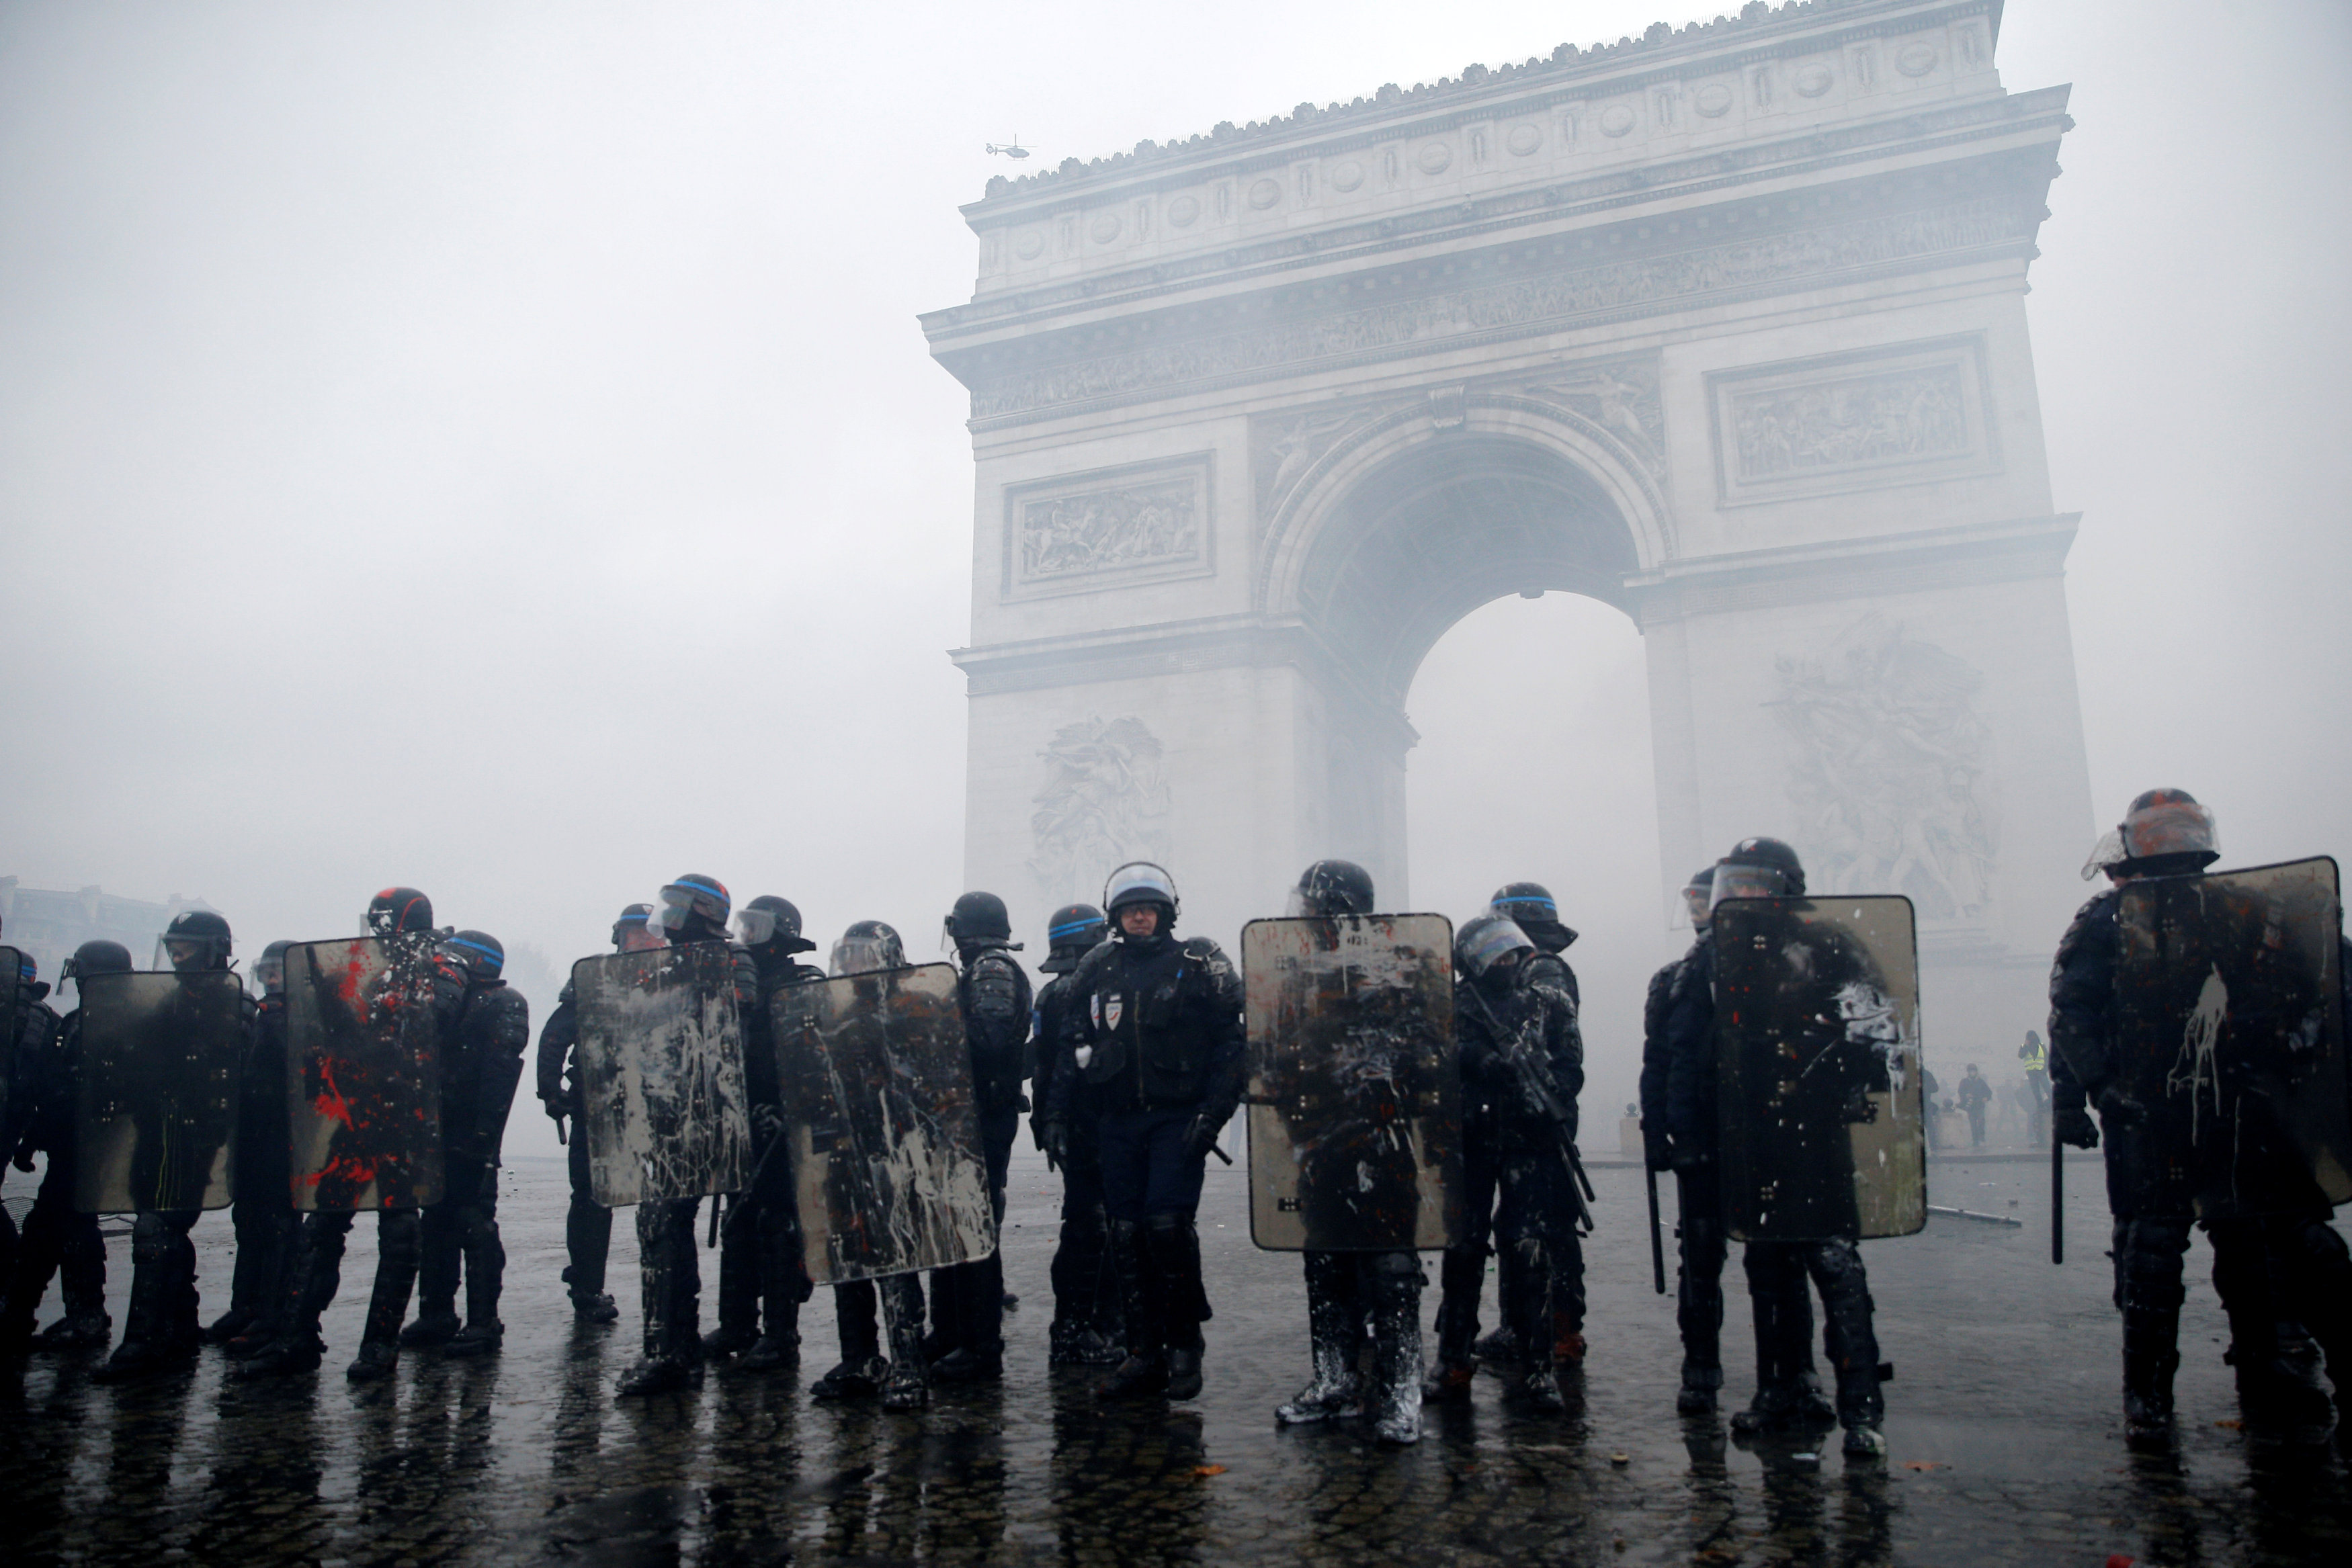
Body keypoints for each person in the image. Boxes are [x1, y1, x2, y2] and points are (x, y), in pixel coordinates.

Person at [2050, 787, 2352, 1445]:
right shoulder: (2247, 907)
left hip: (2184, 1115)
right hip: (2225, 1113)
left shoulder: (2111, 918)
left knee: (2174, 1257)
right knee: (2251, 1246)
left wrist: (2098, 1092)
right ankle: (2256, 1377)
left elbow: (2071, 1018)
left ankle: (2152, 1402)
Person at [1661, 838, 1890, 1456]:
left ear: (1785, 887)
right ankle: (1781, 1391)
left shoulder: (1829, 945)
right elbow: (1684, 1056)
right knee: (1768, 1267)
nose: (1734, 895)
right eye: (1728, 883)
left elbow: (1879, 1037)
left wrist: (1819, 1065)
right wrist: (1683, 1133)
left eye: (1751, 883)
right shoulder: (1704, 961)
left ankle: (1861, 1409)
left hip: (1812, 1132)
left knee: (1834, 1265)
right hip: (1742, 1138)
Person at [238, 886, 466, 1381]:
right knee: (323, 1225)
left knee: (400, 1234)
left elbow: (432, 1017)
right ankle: (295, 1339)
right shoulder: (374, 971)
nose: (381, 932)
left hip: (405, 1118)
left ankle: (379, 1347)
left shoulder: (443, 966)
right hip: (359, 1110)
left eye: (388, 923)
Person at [1052, 862, 1244, 1403]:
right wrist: (1055, 1117)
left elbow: (1232, 1046)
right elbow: (1071, 1045)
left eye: (1148, 908)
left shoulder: (1197, 963)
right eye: (1131, 909)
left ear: (1165, 912)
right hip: (1118, 1122)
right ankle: (1143, 1352)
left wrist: (1213, 1116)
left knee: (1166, 1226)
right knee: (1126, 1236)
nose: (1139, 916)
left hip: (1176, 1119)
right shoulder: (1098, 968)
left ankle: (1184, 1343)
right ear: (1117, 916)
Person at [1271, 859, 1431, 1444]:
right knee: (1326, 1262)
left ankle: (1400, 1392)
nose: (1305, 919)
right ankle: (1334, 1379)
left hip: (1381, 1140)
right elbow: (1278, 1051)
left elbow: (1432, 1056)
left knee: (1391, 1271)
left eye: (1313, 909)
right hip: (1319, 1144)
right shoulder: (1298, 975)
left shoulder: (1400, 971)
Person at [1425, 912, 1583, 1413]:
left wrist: (1550, 1097)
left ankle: (1538, 1369)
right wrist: (1477, 1062)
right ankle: (1453, 1359)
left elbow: (1569, 1066)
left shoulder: (1547, 1002)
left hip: (1529, 1141)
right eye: (1494, 949)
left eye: (1511, 948)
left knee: (1530, 1248)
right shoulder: (1453, 1007)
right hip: (1472, 1141)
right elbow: (1433, 1060)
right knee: (1465, 1248)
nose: (1507, 958)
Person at [92, 909, 255, 1382]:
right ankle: (179, 1330)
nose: (176, 954)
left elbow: (226, 1072)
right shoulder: (175, 999)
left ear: (211, 950)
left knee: (155, 1227)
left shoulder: (232, 1003)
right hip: (156, 1128)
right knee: (163, 1226)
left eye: (184, 946)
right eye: (173, 945)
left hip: (192, 1134)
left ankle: (142, 1342)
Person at [618, 874, 763, 1398]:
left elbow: (731, 1042)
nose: (667, 916)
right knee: (659, 1232)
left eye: (675, 907)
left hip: (705, 1119)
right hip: (666, 1115)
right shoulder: (664, 964)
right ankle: (671, 1348)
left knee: (665, 1229)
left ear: (700, 911)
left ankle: (672, 1355)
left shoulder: (731, 962)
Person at [807, 920, 935, 1410]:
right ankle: (860, 1358)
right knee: (848, 1254)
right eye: (850, 953)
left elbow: (931, 1082)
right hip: (843, 1147)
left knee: (896, 1257)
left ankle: (907, 1365)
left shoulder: (913, 1006)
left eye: (865, 954)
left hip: (894, 1148)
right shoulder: (833, 1009)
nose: (855, 963)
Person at [708, 894, 825, 1373]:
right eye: (744, 926)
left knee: (778, 1226)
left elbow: (815, 1054)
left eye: (756, 927)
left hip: (781, 1122)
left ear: (780, 933)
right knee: (736, 1222)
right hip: (739, 1116)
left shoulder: (801, 981)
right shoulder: (734, 978)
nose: (747, 935)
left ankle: (781, 1336)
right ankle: (737, 1324)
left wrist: (786, 1108)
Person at [401, 931, 528, 1357]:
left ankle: (483, 1321)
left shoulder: (504, 1002)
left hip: (472, 1130)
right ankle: (437, 1313)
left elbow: (501, 1072)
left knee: (474, 1222)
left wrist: (485, 1135)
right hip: (439, 1125)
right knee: (435, 1220)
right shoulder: (451, 1001)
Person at [536, 902, 663, 1323]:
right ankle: (587, 1287)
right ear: (619, 938)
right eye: (635, 935)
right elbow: (555, 1038)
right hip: (599, 1105)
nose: (644, 944)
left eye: (651, 935)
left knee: (665, 1204)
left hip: (661, 1108)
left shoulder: (676, 979)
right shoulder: (594, 980)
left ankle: (666, 1292)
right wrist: (551, 1091)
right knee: (591, 1200)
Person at [1478, 881, 1587, 1370]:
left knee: (1546, 1230)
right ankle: (1521, 1325)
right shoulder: (1531, 968)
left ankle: (1560, 1330)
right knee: (1517, 1227)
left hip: (1540, 1119)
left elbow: (1555, 1046)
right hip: (1520, 1116)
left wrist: (1544, 1103)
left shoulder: (1544, 970)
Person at [923, 892, 1031, 1383]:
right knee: (952, 1223)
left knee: (971, 1225)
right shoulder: (987, 968)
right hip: (968, 1113)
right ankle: (949, 1332)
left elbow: (987, 1038)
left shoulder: (991, 970)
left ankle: (979, 1343)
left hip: (981, 1114)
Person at [1640, 866, 1726, 1413]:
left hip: (1754, 1135)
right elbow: (1659, 1063)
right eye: (1690, 898)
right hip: (1698, 1138)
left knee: (1777, 1267)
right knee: (1698, 1260)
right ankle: (1700, 1366)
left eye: (1703, 897)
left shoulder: (1758, 965)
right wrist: (1656, 1131)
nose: (1694, 906)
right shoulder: (1672, 977)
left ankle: (1794, 1377)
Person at [1030, 903, 1122, 1366]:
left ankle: (1094, 1324)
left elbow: (1043, 1069)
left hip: (1072, 1124)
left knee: (1090, 1227)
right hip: (1093, 1124)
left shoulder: (1050, 992)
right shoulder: (1082, 990)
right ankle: (1077, 1328)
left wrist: (1047, 1122)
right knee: (1093, 1230)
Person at [1, 946, 96, 1353]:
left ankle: (36, 1314)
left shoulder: (78, 1023)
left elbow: (48, 1089)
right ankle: (46, 1313)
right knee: (63, 1228)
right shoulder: (67, 1021)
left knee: (59, 1229)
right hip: (69, 1143)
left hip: (79, 1145)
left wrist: (31, 1136)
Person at [209, 939, 300, 1354]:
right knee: (248, 1222)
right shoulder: (265, 1016)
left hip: (282, 1139)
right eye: (266, 971)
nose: (270, 978)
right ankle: (245, 1307)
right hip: (253, 1136)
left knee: (277, 1229)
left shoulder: (299, 1019)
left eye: (278, 970)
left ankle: (272, 1316)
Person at [2019, 1031, 2051, 1148]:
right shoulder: (2024, 1046)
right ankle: (2041, 1105)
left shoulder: (2041, 1046)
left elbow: (2047, 1058)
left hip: (2040, 1072)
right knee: (2036, 1092)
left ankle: (2052, 1104)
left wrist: (2044, 1070)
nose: (2030, 1039)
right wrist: (2026, 1045)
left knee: (2048, 1089)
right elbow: (2021, 1055)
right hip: (2031, 1073)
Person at [1957, 1065, 1990, 1149]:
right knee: (1973, 1124)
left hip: (1980, 1105)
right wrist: (1966, 1095)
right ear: (1968, 1072)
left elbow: (1988, 1092)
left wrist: (1986, 1098)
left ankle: (1981, 1138)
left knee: (1981, 1121)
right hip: (1970, 1106)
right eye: (1971, 1071)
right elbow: (1960, 1092)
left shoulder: (1981, 1081)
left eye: (1974, 1071)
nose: (1973, 1072)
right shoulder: (1964, 1081)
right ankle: (1975, 1140)